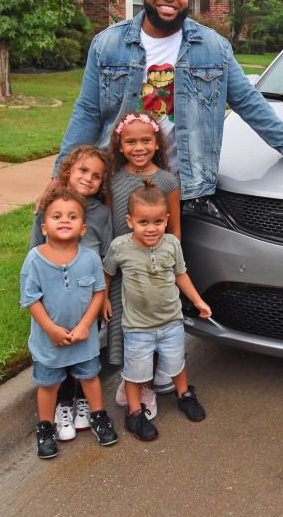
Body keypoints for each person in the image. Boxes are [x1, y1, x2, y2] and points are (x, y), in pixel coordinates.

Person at [47, 0, 283, 205]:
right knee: (115, 262)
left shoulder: (213, 47)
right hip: (118, 181)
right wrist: (61, 173)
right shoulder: (107, 44)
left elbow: (247, 100)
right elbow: (87, 111)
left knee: (174, 260)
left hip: (185, 185)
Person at [102, 182, 212, 442]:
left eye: (157, 222)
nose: (151, 228)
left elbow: (181, 275)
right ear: (130, 221)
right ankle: (134, 413)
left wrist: (198, 301)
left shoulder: (172, 244)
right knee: (135, 372)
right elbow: (106, 273)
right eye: (143, 222)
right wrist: (104, 299)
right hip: (138, 327)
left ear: (167, 220)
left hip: (171, 322)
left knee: (176, 364)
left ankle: (184, 395)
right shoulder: (121, 247)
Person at [21, 188, 118, 459]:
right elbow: (30, 299)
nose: (64, 220)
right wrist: (50, 329)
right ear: (44, 226)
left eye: (72, 216)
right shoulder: (35, 260)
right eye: (57, 216)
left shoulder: (89, 259)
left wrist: (87, 324)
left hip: (83, 338)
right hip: (48, 341)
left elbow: (99, 292)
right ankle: (46, 426)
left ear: (83, 227)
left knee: (89, 377)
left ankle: (98, 416)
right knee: (48, 384)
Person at [101, 110, 181, 417]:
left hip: (157, 271)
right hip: (124, 271)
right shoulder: (114, 180)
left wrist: (173, 269)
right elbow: (111, 226)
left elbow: (175, 230)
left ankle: (148, 386)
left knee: (156, 325)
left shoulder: (167, 180)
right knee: (127, 331)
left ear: (157, 143)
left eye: (146, 140)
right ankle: (134, 381)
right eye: (130, 141)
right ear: (120, 146)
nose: (139, 147)